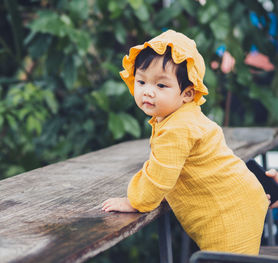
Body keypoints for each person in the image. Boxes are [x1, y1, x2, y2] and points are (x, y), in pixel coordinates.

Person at [101, 30, 269, 255]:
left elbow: (160, 178)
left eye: (161, 86)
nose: (148, 92)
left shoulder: (177, 127)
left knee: (228, 260)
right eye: (141, 81)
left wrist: (136, 202)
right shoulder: (181, 117)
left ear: (188, 93)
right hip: (238, 200)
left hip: (228, 213)